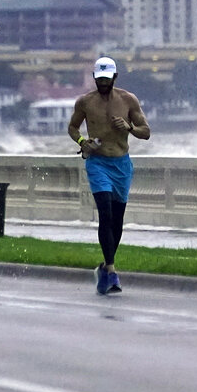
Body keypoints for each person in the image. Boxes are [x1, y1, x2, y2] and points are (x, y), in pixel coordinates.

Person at [68, 56, 150, 295]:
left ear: (115, 77)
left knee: (117, 220)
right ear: (94, 78)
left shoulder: (128, 100)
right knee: (104, 212)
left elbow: (146, 132)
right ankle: (112, 272)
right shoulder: (85, 102)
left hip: (121, 165)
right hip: (98, 163)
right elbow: (73, 128)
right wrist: (84, 142)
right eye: (99, 79)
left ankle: (104, 267)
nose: (103, 83)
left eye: (107, 79)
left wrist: (129, 128)